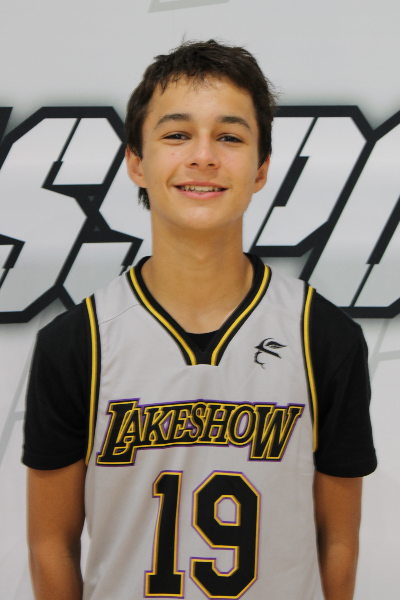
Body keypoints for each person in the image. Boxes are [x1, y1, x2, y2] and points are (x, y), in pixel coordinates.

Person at [23, 40, 377, 600]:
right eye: (177, 135)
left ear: (261, 169)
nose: (204, 156)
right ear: (136, 162)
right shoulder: (77, 342)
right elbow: (51, 545)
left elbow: (338, 540)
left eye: (230, 137)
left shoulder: (322, 336)